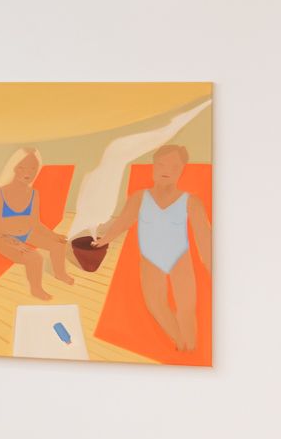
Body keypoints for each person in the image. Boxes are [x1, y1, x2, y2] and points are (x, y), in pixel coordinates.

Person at [87, 142, 212, 352]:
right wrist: (104, 239)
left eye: (174, 166)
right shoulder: (139, 197)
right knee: (156, 305)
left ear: (182, 170)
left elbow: (205, 239)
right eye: (161, 165)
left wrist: (212, 267)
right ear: (154, 166)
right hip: (151, 260)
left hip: (179, 259)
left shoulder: (191, 201)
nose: (166, 171)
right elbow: (123, 222)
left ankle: (190, 349)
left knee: (186, 309)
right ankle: (180, 342)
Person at [0, 147, 74, 299]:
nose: (28, 172)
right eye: (22, 167)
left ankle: (60, 274)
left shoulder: (34, 193)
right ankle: (36, 289)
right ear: (13, 167)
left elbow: (35, 223)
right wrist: (14, 243)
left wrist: (54, 235)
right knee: (35, 258)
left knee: (58, 245)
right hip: (2, 238)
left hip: (27, 233)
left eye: (33, 168)